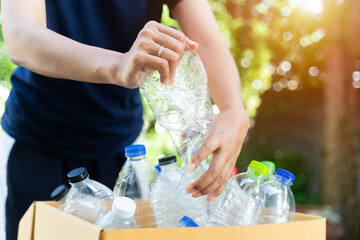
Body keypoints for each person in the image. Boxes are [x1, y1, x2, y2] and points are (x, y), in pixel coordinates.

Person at [0, 0, 249, 239]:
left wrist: (233, 110)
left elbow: (204, 40)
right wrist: (118, 65)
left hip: (123, 154)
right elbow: (21, 36)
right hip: (38, 143)